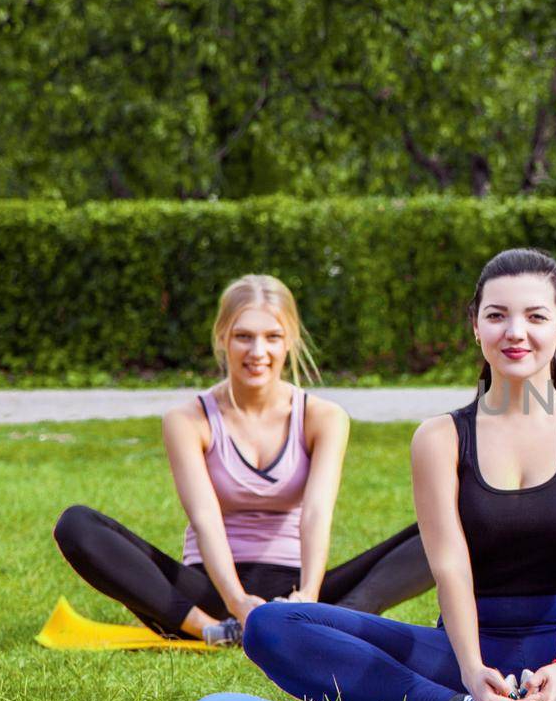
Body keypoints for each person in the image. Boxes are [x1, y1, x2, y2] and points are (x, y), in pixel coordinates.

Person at [243, 248, 556, 701]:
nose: (515, 332)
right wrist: (472, 672)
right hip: (461, 651)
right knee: (270, 626)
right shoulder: (439, 438)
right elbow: (450, 567)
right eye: (497, 315)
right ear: (475, 326)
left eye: (535, 316)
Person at [52, 274, 434, 647]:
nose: (258, 352)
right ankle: (207, 629)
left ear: (290, 342)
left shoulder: (323, 417)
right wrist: (237, 603)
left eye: (272, 337)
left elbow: (317, 514)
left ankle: (334, 619)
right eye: (243, 337)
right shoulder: (188, 420)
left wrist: (309, 596)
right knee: (76, 524)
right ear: (222, 339)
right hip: (212, 593)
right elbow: (205, 519)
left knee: (453, 521)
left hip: (297, 590)